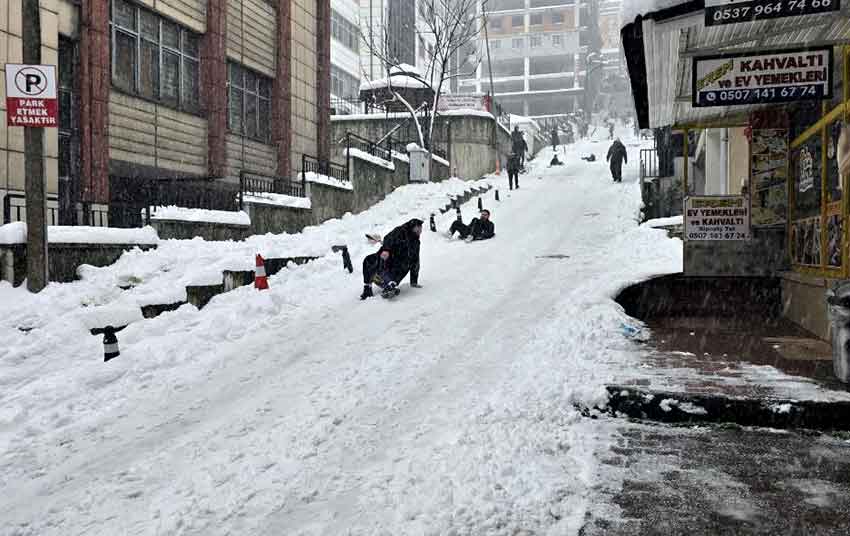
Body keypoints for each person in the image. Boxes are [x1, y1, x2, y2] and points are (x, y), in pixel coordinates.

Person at [361, 218, 423, 300]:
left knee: (405, 264)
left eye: (421, 228)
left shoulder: (416, 243)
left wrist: (414, 281)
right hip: (385, 263)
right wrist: (386, 250)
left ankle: (390, 285)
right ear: (412, 227)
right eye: (418, 228)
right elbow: (388, 238)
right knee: (368, 260)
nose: (420, 231)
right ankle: (367, 289)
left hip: (398, 270)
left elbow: (415, 261)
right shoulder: (400, 231)